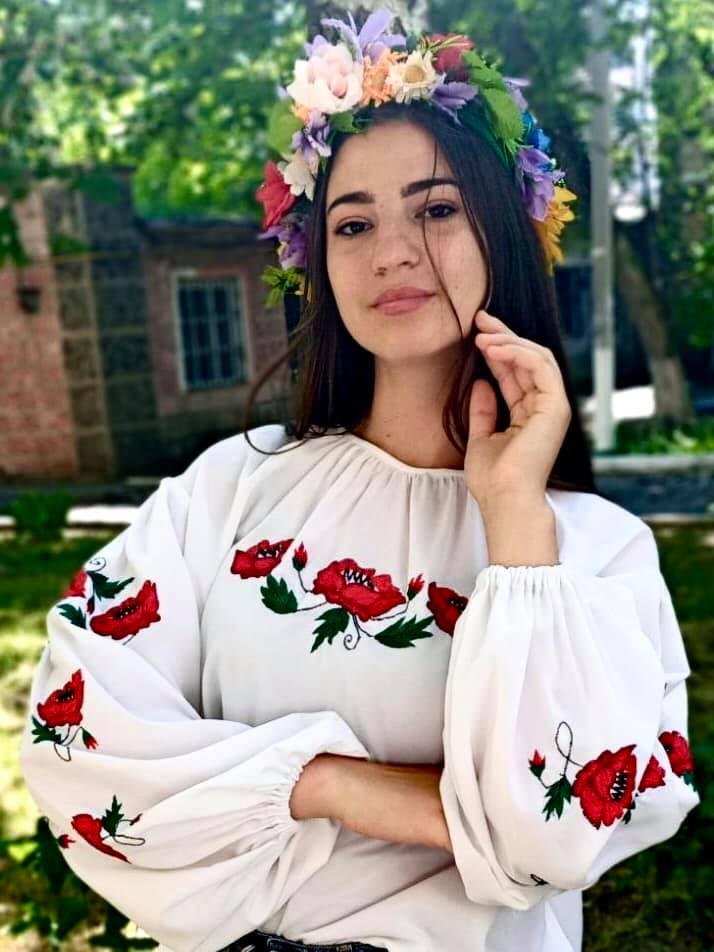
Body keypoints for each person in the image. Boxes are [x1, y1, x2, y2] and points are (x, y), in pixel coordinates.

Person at [20, 11, 699, 952]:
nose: (391, 252)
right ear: (319, 261)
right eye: (353, 222)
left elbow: (557, 839)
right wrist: (335, 783)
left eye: (437, 209)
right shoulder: (229, 492)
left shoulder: (598, 551)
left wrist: (513, 517)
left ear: (505, 231)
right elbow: (78, 743)